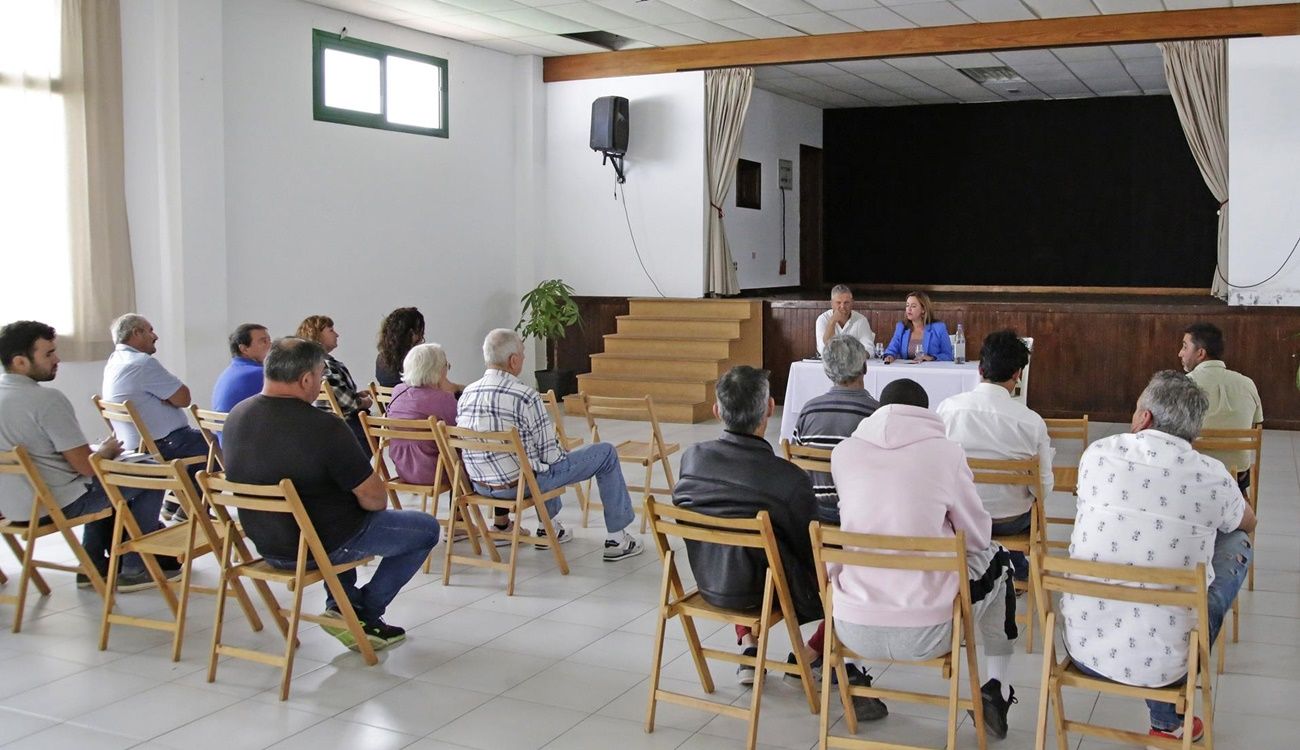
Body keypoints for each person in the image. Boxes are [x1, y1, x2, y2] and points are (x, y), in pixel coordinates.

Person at [673, 365, 887, 721]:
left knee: (739, 544)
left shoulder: (691, 460)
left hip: (710, 582)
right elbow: (811, 556)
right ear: (770, 408)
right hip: (766, 593)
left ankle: (747, 642)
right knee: (850, 565)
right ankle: (809, 655)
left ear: (716, 412)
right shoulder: (786, 478)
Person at [1061, 370, 1255, 743]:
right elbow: (1250, 521)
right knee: (1237, 541)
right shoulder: (1212, 474)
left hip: (1082, 645)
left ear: (1144, 418)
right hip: (1166, 664)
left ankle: (1167, 716)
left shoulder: (1097, 453)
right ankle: (1168, 714)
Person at [223, 337, 441, 651]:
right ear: (306, 379)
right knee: (424, 529)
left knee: (334, 513)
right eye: (321, 376)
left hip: (267, 543)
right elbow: (375, 499)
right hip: (319, 545)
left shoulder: (236, 417)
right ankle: (363, 613)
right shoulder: (324, 426)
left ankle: (343, 606)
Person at [831, 378, 1019, 738]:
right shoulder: (946, 453)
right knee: (1001, 561)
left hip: (850, 625)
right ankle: (998, 686)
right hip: (927, 630)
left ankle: (852, 673)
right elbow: (978, 537)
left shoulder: (844, 452)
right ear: (926, 413)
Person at [0, 321, 172, 591]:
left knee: (109, 485)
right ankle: (134, 566)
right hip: (58, 504)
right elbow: (86, 467)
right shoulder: (46, 401)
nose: (57, 359)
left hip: (15, 507)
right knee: (154, 477)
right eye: (48, 354)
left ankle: (90, 565)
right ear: (20, 362)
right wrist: (104, 451)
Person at [457, 328, 641, 560]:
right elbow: (551, 457)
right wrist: (560, 451)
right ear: (513, 361)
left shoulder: (466, 394)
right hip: (521, 485)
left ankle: (550, 527)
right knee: (604, 453)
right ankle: (618, 538)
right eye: (523, 353)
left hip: (481, 486)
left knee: (533, 459)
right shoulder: (525, 396)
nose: (523, 358)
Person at [937, 330, 1053, 580]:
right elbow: (1042, 488)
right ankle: (1014, 567)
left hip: (959, 519)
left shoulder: (947, 409)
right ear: (1017, 374)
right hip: (1009, 520)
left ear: (980, 369)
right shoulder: (1031, 422)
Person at [102, 313, 209, 520]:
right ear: (136, 333)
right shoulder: (142, 363)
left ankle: (172, 504)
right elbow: (184, 398)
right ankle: (190, 513)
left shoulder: (115, 360)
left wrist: (167, 398)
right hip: (162, 444)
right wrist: (168, 399)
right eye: (150, 330)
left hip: (133, 443)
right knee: (215, 447)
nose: (155, 336)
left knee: (198, 444)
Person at [792, 335, 879, 524]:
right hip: (860, 512)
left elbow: (795, 464)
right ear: (864, 367)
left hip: (813, 510)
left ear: (828, 371)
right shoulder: (876, 413)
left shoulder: (808, 410)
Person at [1180, 322, 1263, 492]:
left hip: (1196, 476)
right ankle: (1237, 509)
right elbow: (1256, 426)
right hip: (1235, 475)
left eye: (1184, 347)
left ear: (1200, 353)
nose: (1180, 353)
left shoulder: (1183, 385)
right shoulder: (1247, 383)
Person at [296, 315, 373, 455]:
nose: (337, 334)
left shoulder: (308, 363)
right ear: (317, 335)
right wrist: (364, 401)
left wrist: (355, 394)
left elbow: (335, 394)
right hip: (347, 426)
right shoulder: (324, 364)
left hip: (327, 423)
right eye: (331, 330)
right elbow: (347, 401)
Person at [212, 323, 271, 413]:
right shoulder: (260, 373)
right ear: (244, 349)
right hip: (245, 426)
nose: (271, 345)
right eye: (263, 341)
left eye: (269, 340)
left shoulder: (228, 372)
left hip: (223, 426)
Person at [882, 291, 953, 363]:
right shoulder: (901, 327)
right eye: (907, 305)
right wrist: (889, 356)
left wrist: (931, 358)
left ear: (923, 309)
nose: (909, 309)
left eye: (913, 306)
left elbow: (948, 355)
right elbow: (891, 350)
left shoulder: (939, 327)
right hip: (906, 370)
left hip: (930, 371)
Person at [815, 284, 874, 356]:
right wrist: (832, 321)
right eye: (838, 303)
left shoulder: (861, 320)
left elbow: (869, 348)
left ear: (852, 302)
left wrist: (850, 357)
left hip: (855, 363)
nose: (842, 306)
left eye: (846, 302)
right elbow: (824, 349)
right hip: (830, 363)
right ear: (831, 303)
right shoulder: (822, 319)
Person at [375, 307, 424, 389]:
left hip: (390, 402)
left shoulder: (381, 360)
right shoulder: (416, 360)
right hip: (413, 401)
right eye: (420, 331)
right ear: (411, 334)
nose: (422, 337)